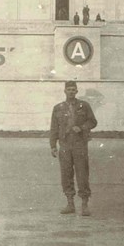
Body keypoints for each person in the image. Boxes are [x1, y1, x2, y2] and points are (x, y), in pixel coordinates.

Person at [50, 81, 98, 216]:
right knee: (66, 174)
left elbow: (93, 122)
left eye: (73, 89)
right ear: (64, 91)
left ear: (77, 91)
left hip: (79, 144)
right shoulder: (58, 108)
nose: (71, 91)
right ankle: (70, 203)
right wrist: (53, 145)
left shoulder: (84, 106)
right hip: (65, 145)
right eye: (69, 89)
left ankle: (84, 204)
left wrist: (82, 127)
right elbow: (54, 128)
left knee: (82, 174)